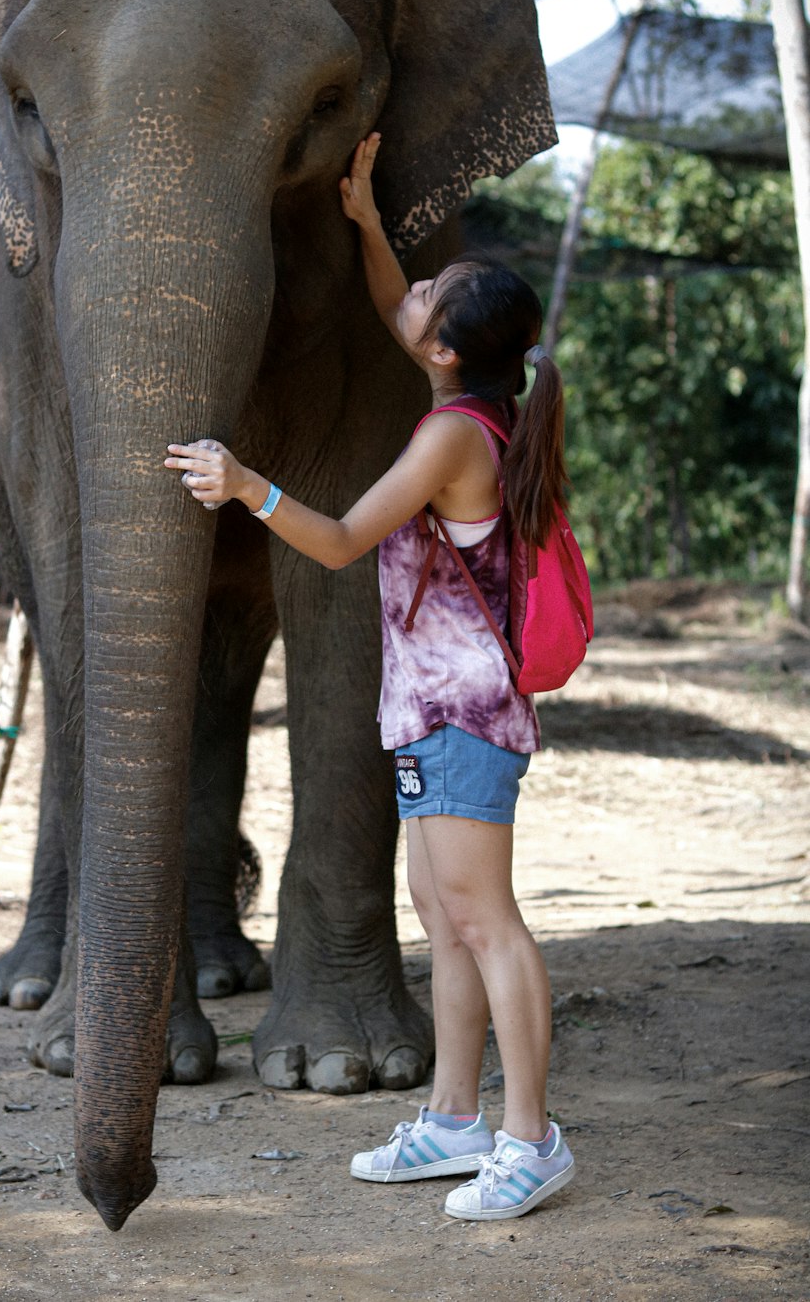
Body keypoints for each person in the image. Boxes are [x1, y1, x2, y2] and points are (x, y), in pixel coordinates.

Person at [164, 132, 575, 1221]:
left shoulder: (449, 435)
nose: (416, 294)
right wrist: (360, 223)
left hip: (463, 713)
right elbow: (404, 313)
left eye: (433, 293)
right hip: (432, 712)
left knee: (487, 922)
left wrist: (247, 486)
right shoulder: (476, 396)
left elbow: (343, 537)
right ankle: (452, 1122)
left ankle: (532, 1139)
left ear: (448, 351)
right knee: (443, 918)